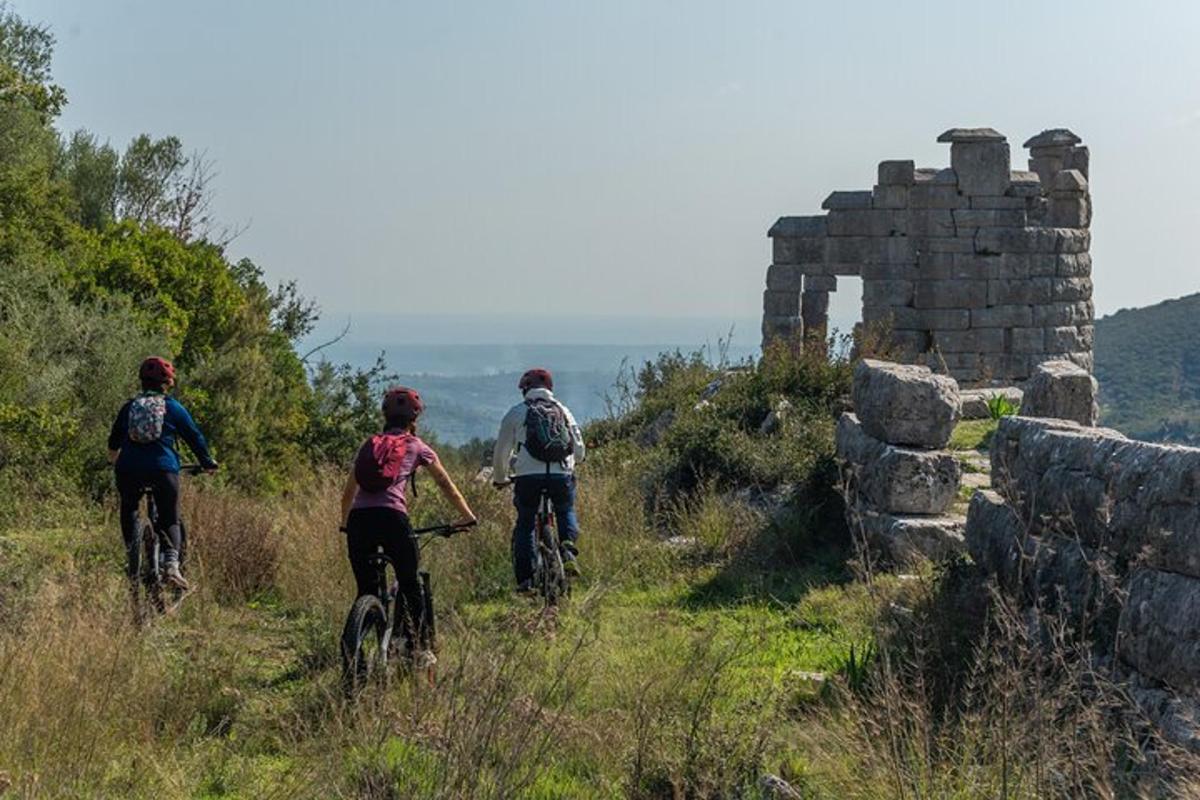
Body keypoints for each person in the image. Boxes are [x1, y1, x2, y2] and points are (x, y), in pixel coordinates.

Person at [340, 386, 476, 667]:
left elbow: (348, 491)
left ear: (384, 415)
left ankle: (354, 643)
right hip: (392, 518)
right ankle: (414, 650)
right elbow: (444, 484)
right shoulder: (416, 446)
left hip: (359, 521)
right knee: (411, 583)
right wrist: (467, 516)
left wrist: (345, 524)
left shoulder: (370, 443)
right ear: (414, 419)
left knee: (366, 588)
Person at [108, 357, 219, 591]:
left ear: (141, 381)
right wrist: (207, 463)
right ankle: (171, 565)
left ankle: (132, 556)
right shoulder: (173, 408)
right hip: (163, 469)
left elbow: (113, 441)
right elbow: (194, 437)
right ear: (168, 382)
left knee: (129, 508)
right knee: (170, 517)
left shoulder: (129, 407)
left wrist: (115, 460)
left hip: (128, 469)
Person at [491, 368, 586, 592]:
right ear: (550, 389)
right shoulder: (564, 411)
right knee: (565, 510)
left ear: (525, 390)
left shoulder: (516, 412)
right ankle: (568, 550)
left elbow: (501, 451)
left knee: (525, 523)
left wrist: (500, 478)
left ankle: (525, 581)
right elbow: (579, 449)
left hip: (528, 477)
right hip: (561, 474)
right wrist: (573, 464)